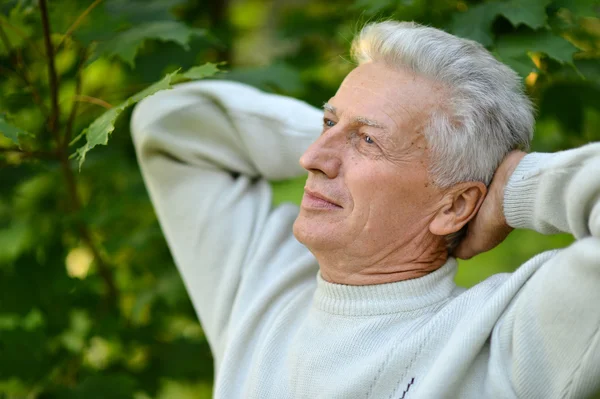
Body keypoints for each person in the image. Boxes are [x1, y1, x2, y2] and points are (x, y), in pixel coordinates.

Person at [131, 21, 600, 399]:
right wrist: (352, 130)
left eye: (369, 141)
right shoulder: (261, 287)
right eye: (327, 121)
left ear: (455, 205)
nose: (311, 158)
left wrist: (515, 184)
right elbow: (167, 121)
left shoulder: (506, 340)